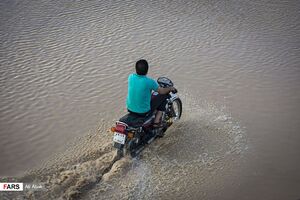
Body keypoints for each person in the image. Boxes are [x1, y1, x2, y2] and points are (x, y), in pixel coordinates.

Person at [126, 59, 175, 127]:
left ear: (136, 69)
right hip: (143, 112)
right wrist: (170, 88)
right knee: (164, 95)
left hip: (130, 108)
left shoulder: (130, 77)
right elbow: (161, 91)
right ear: (147, 70)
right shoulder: (149, 82)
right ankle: (156, 121)